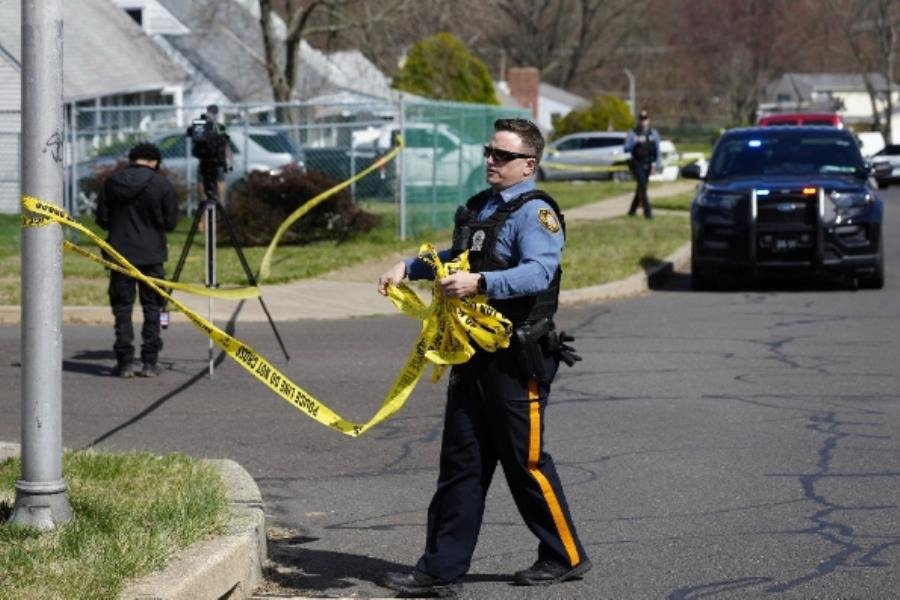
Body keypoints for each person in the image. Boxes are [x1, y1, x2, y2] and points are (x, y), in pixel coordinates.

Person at [377, 118, 590, 597]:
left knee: (525, 462)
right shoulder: (482, 207)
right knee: (461, 463)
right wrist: (407, 267)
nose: (490, 160)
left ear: (528, 165)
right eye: (489, 151)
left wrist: (482, 284)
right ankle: (439, 570)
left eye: (502, 155)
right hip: (470, 352)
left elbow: (539, 271)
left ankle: (565, 556)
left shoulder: (536, 214)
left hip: (518, 356)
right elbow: (460, 254)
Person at [96, 142, 179, 378]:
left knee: (122, 308)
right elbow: (171, 222)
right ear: (154, 161)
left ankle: (124, 363)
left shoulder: (112, 182)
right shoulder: (161, 183)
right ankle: (150, 362)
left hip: (119, 252)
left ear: (133, 159)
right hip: (152, 254)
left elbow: (102, 219)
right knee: (152, 306)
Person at [624, 108, 663, 219]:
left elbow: (657, 150)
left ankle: (632, 211)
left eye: (645, 118)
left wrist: (657, 165)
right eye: (641, 118)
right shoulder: (632, 133)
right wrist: (634, 142)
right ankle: (648, 213)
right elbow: (626, 149)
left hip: (648, 164)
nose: (643, 121)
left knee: (641, 188)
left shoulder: (653, 133)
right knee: (643, 187)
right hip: (637, 164)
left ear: (649, 120)